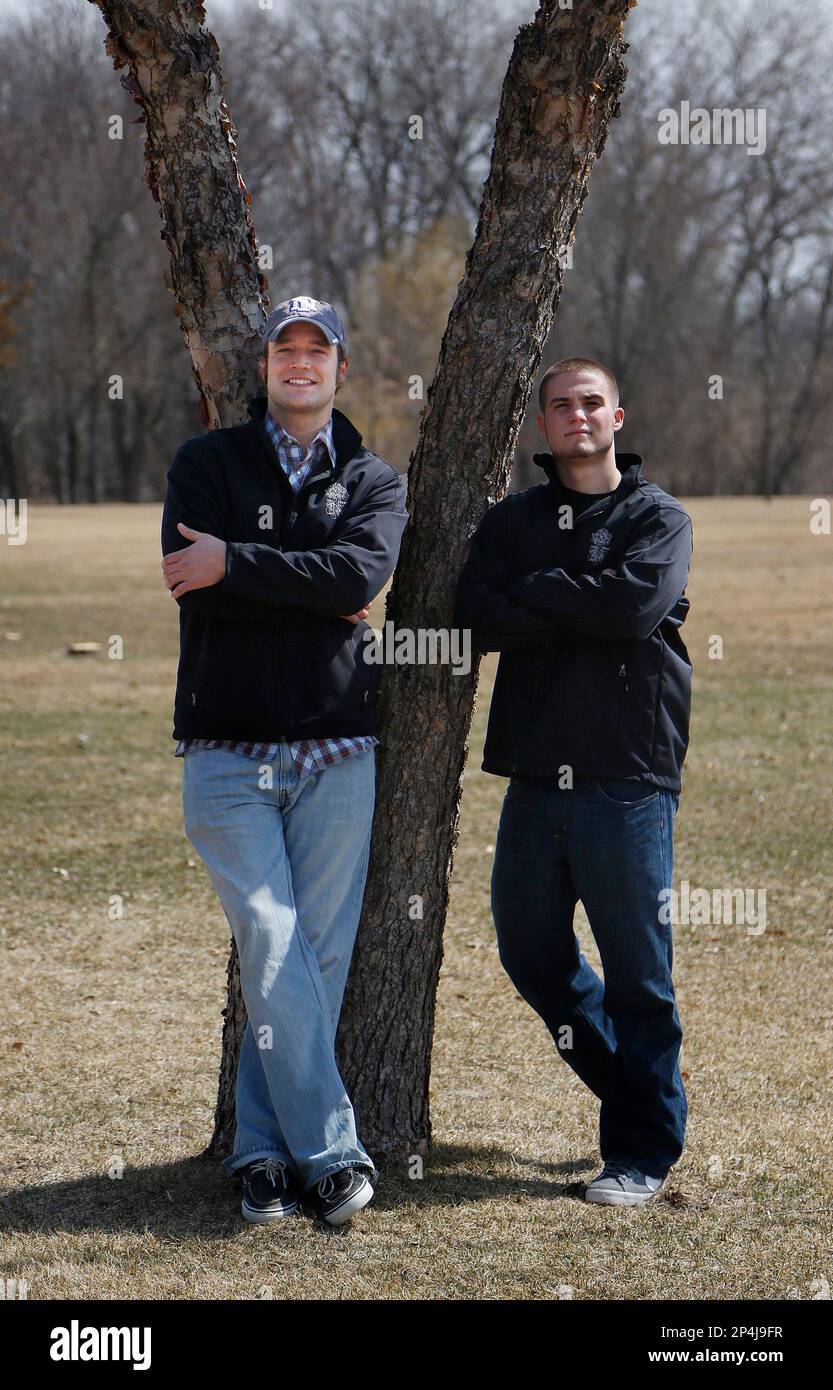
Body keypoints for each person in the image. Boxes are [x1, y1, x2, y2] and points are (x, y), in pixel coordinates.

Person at [160, 296, 408, 1225]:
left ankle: (262, 1157)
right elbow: (195, 589)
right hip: (224, 753)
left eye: (318, 349)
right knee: (270, 940)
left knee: (315, 957)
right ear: (264, 367)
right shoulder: (206, 464)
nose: (300, 363)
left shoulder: (375, 480)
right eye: (284, 349)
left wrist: (244, 563)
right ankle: (333, 1155)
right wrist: (297, 581)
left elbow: (357, 578)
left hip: (337, 750)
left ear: (341, 369)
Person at [453, 357, 693, 1205]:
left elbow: (634, 611)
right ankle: (634, 1096)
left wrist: (539, 596)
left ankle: (641, 1151)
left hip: (627, 773)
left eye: (590, 403)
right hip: (532, 772)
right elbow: (474, 616)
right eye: (560, 406)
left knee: (638, 972)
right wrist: (580, 598)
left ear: (617, 418)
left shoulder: (655, 516)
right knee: (530, 954)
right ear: (543, 425)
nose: (576, 417)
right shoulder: (513, 519)